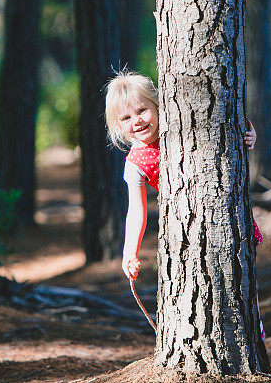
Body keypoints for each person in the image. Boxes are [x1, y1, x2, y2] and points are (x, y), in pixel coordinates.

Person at [104, 70, 261, 283]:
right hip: (188, 225)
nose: (137, 121)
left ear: (157, 105)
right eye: (126, 117)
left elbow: (223, 135)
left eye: (142, 110)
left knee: (241, 269)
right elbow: (136, 211)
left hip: (224, 208)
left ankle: (252, 316)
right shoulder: (135, 164)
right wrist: (130, 251)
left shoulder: (180, 125)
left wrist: (249, 137)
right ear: (118, 126)